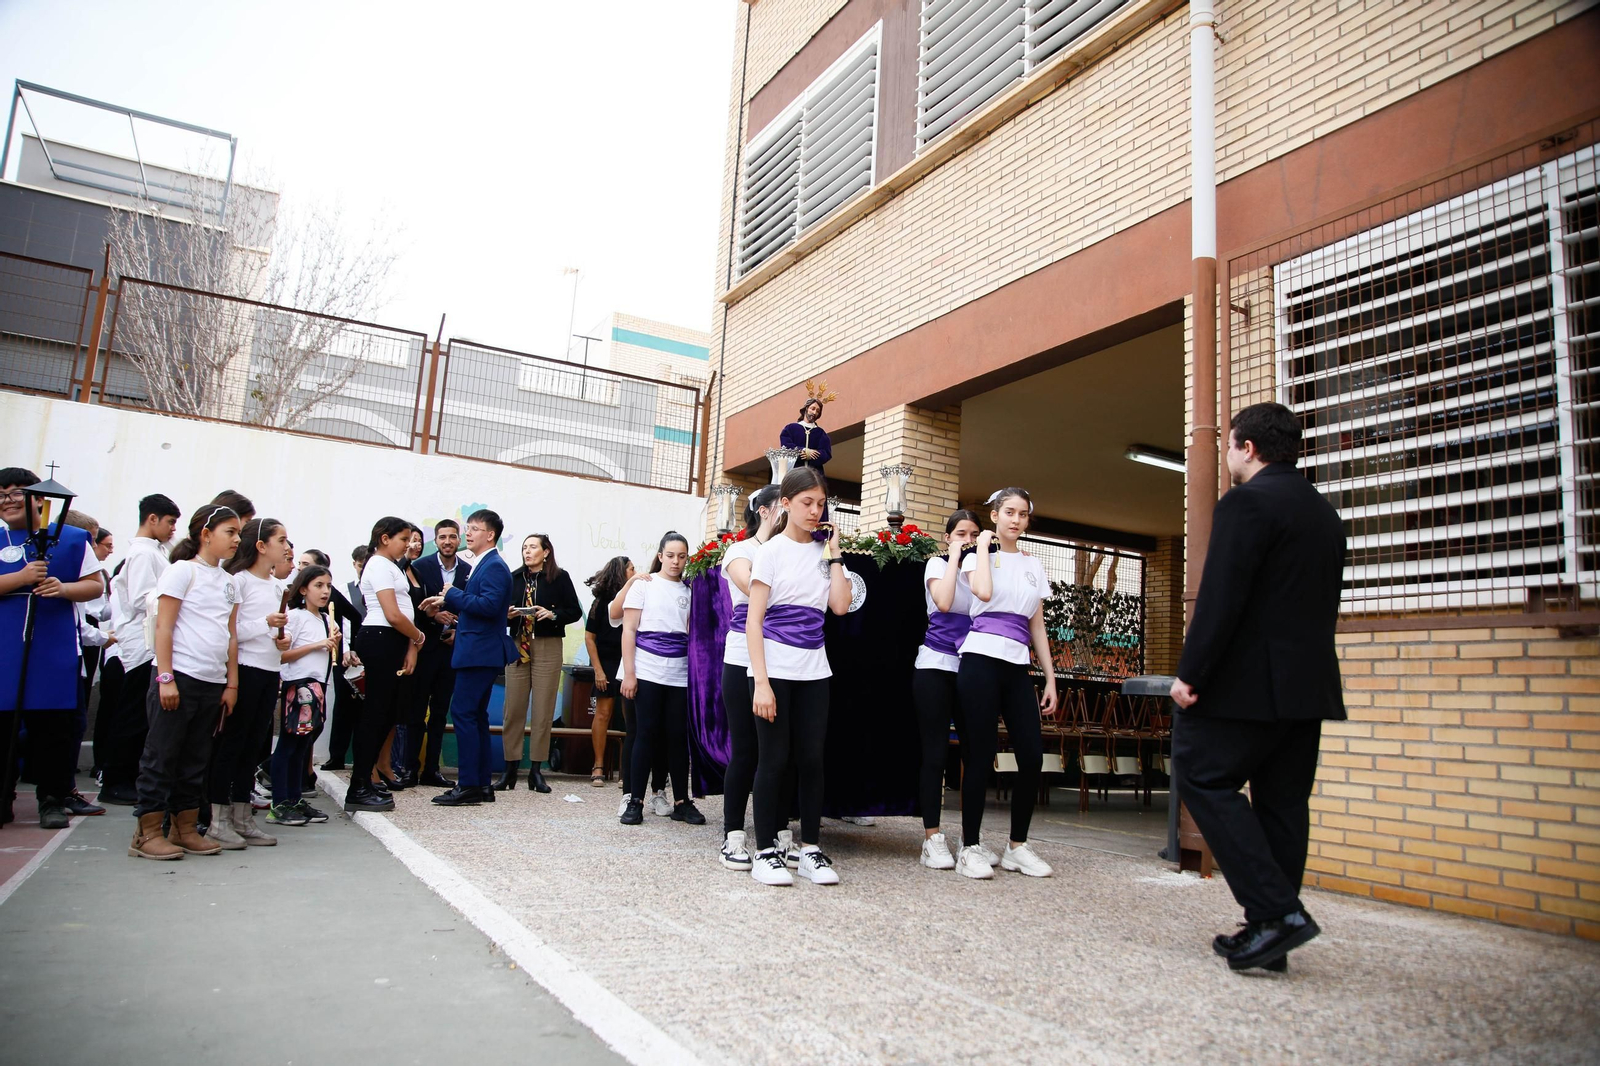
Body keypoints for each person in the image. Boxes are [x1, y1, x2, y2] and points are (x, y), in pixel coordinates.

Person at [1170, 402, 1345, 973]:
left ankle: (1277, 911)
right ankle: (1270, 935)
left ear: (1247, 448)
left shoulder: (1246, 503)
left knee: (1200, 772)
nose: (1226, 455)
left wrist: (1192, 673)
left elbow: (1223, 596)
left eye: (1228, 445)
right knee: (1284, 804)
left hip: (1247, 685)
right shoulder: (1324, 514)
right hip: (1308, 686)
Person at [746, 467, 852, 886]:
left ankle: (810, 849)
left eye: (821, 504)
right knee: (773, 759)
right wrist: (761, 682)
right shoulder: (769, 552)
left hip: (815, 671)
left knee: (812, 759)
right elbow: (754, 622)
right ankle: (766, 851)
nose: (815, 510)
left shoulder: (824, 554)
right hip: (775, 669)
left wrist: (837, 552)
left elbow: (841, 607)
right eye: (807, 503)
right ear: (785, 505)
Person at [128, 504, 243, 859]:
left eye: (239, 533)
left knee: (196, 758)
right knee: (162, 755)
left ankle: (185, 828)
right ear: (206, 535)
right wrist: (166, 678)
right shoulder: (181, 572)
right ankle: (146, 833)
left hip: (212, 682)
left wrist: (231, 684)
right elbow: (164, 626)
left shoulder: (228, 583)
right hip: (179, 677)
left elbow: (231, 635)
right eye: (230, 532)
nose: (237, 539)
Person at [956, 487, 1059, 880]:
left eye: (1023, 514)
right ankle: (970, 847)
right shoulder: (975, 557)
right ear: (995, 516)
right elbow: (982, 591)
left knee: (1032, 754)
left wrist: (1049, 676)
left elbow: (1037, 624)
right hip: (980, 659)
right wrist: (982, 546)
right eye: (1009, 512)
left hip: (1017, 666)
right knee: (980, 756)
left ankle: (1017, 846)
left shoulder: (1034, 566)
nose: (1016, 520)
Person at [0, 468, 103, 830]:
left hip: (54, 646)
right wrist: (21, 579)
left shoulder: (72, 539)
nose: (8, 500)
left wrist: (63, 589)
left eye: (17, 492)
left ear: (39, 498)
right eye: (1, 493)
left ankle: (53, 798)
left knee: (54, 729)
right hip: (4, 647)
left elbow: (94, 586)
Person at [204, 518, 290, 849]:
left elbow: (275, 633)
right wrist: (264, 623)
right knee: (232, 744)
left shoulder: (277, 586)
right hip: (245, 670)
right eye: (281, 539)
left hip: (269, 671)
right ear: (261, 545)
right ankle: (217, 819)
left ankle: (242, 817)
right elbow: (230, 630)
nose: (286, 546)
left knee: (254, 746)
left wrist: (283, 638)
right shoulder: (238, 581)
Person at [425, 509, 517, 806]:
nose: (468, 533)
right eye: (469, 528)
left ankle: (468, 785)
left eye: (474, 529)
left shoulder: (493, 566)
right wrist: (447, 598)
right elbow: (480, 602)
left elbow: (489, 606)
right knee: (474, 716)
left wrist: (451, 594)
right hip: (477, 651)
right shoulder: (483, 564)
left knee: (464, 713)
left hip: (480, 652)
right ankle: (479, 785)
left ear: (490, 535)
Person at [915, 509, 986, 873]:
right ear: (947, 537)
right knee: (935, 755)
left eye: (974, 533)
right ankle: (932, 838)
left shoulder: (984, 572)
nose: (968, 538)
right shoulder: (935, 565)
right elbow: (943, 602)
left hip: (973, 668)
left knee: (975, 755)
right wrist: (956, 558)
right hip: (935, 667)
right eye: (961, 533)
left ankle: (971, 841)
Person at [100, 494, 181, 806]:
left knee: (142, 716)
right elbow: (141, 600)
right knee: (133, 714)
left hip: (152, 641)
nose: (173, 528)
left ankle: (127, 776)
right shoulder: (142, 555)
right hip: (142, 642)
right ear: (152, 519)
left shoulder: (156, 552)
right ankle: (116, 779)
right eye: (170, 522)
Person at [619, 532, 703, 827]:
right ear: (660, 555)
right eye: (670, 556)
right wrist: (630, 673)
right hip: (648, 669)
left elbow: (692, 633)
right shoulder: (644, 586)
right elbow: (629, 630)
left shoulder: (691, 590)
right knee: (646, 733)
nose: (676, 562)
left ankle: (682, 800)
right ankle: (635, 801)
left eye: (682, 556)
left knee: (678, 738)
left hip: (679, 673)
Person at [716, 485, 780, 871]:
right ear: (763, 510)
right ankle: (733, 833)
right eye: (781, 506)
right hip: (742, 657)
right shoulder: (741, 551)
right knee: (746, 749)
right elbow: (753, 588)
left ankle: (776, 833)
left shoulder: (795, 551)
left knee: (778, 751)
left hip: (785, 660)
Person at [345, 517, 424, 813]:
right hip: (380, 637)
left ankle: (365, 781)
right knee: (375, 714)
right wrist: (418, 636)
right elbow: (392, 613)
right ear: (384, 538)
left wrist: (412, 645)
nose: (409, 544)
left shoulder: (393, 566)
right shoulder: (378, 564)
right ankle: (359, 784)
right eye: (403, 539)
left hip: (395, 641)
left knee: (389, 713)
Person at [496, 534, 581, 792]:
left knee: (543, 709)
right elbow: (498, 611)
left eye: (533, 547)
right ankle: (509, 769)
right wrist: (508, 614)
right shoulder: (513, 577)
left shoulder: (559, 577)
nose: (527, 551)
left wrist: (552, 614)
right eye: (524, 547)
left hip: (548, 644)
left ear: (546, 552)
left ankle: (535, 770)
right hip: (518, 644)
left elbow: (574, 612)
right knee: (513, 709)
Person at [269, 564, 339, 827]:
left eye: (328, 586)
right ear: (303, 589)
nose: (325, 591)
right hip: (298, 685)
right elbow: (282, 655)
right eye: (318, 585)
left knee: (303, 746)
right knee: (288, 745)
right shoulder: (295, 616)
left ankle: (295, 799)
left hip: (317, 685)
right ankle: (279, 803)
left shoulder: (323, 619)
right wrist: (318, 644)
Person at [405, 520, 470, 788]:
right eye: (442, 537)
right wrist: (434, 618)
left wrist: (459, 629)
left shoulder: (468, 571)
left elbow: (470, 606)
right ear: (436, 540)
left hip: (451, 650)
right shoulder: (420, 567)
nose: (447, 541)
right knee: (416, 711)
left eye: (452, 537)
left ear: (459, 540)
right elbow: (411, 606)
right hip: (425, 648)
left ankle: (432, 769)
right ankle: (410, 768)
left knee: (441, 713)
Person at [609, 573, 670, 817]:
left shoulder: (676, 587)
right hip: (635, 670)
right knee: (635, 731)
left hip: (666, 672)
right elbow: (615, 615)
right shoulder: (640, 586)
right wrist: (631, 582)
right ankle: (630, 794)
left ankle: (658, 791)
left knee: (662, 734)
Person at [582, 556, 632, 788]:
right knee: (603, 713)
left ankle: (626, 769)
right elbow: (590, 638)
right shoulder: (601, 602)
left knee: (629, 716)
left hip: (629, 662)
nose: (635, 572)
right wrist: (598, 671)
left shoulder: (636, 597)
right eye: (631, 569)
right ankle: (598, 765)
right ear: (621, 573)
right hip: (607, 663)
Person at [779, 397, 832, 475]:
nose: (814, 413)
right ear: (806, 408)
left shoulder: (820, 433)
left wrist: (812, 455)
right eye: (812, 409)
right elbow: (786, 445)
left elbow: (826, 453)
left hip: (814, 474)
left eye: (817, 411)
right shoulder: (791, 428)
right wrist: (803, 451)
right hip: (795, 472)